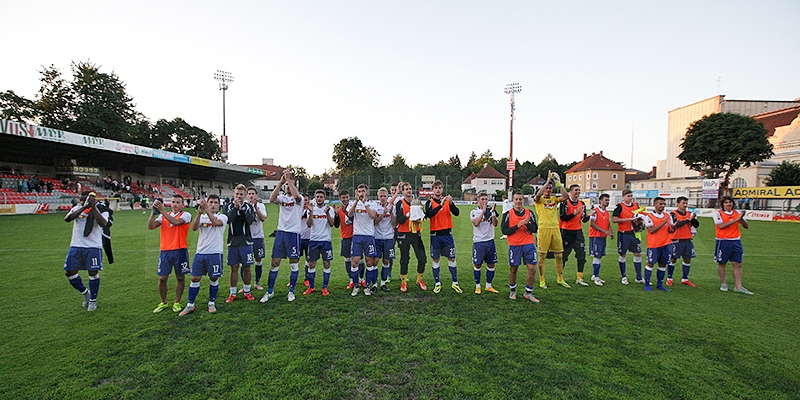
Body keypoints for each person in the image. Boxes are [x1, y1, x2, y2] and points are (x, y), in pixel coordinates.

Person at [180, 194, 228, 315]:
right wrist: (199, 213)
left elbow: (216, 222)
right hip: (201, 252)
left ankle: (211, 303)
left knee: (214, 278)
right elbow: (194, 228)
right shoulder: (202, 217)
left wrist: (206, 209)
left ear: (219, 205)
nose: (213, 205)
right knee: (195, 278)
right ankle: (190, 304)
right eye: (210, 202)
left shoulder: (222, 217)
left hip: (215, 253)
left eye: (215, 202)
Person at [262, 170, 304, 302]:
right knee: (275, 262)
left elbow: (296, 196)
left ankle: (291, 291)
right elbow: (272, 199)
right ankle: (270, 291)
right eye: (287, 185)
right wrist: (281, 182)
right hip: (281, 233)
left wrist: (289, 180)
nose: (288, 186)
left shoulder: (299, 199)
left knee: (294, 263)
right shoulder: (283, 198)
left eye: (290, 184)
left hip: (293, 234)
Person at [63, 191, 109, 312]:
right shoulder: (77, 208)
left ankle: (93, 301)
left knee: (93, 273)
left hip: (93, 246)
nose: (83, 199)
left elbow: (104, 223)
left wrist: (93, 208)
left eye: (89, 198)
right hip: (76, 246)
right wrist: (84, 207)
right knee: (69, 272)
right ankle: (85, 293)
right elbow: (68, 219)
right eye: (83, 198)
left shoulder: (101, 209)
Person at [148, 195, 192, 313]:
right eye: (173, 202)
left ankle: (177, 302)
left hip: (180, 250)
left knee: (180, 277)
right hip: (165, 251)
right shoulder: (163, 216)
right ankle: (164, 302)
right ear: (170, 204)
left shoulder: (186, 215)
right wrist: (154, 213)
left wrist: (162, 211)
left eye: (178, 202)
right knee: (162, 278)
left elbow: (176, 223)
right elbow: (151, 227)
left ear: (183, 204)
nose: (175, 204)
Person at [501, 192, 539, 302]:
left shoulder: (529, 213)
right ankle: (512, 290)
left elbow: (535, 229)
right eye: (516, 199)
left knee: (532, 268)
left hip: (528, 244)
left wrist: (526, 224)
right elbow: (504, 231)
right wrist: (518, 225)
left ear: (523, 201)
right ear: (513, 200)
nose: (518, 201)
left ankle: (528, 292)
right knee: (514, 269)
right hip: (515, 245)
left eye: (520, 199)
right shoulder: (508, 214)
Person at [534, 171, 570, 289]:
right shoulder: (539, 201)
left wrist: (558, 183)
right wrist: (547, 181)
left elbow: (566, 197)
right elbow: (538, 195)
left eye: (550, 188)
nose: (548, 190)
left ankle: (560, 279)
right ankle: (542, 280)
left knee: (559, 255)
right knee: (542, 256)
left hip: (555, 229)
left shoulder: (554, 199)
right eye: (547, 188)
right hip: (544, 230)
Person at [425, 180, 462, 293]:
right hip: (435, 235)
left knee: (451, 258)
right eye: (436, 188)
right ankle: (437, 283)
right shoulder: (429, 202)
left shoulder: (447, 201)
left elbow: (457, 213)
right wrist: (440, 206)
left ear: (442, 189)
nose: (438, 190)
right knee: (436, 259)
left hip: (447, 234)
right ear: (433, 190)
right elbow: (429, 214)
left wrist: (450, 204)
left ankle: (455, 283)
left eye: (440, 188)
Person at [223, 184, 256, 303]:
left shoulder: (248, 207)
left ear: (245, 195)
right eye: (237, 194)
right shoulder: (227, 206)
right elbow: (228, 220)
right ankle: (232, 293)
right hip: (232, 242)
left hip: (246, 241)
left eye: (241, 194)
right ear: (234, 194)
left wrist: (241, 210)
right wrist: (235, 209)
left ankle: (247, 291)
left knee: (247, 267)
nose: (239, 196)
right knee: (234, 268)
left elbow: (249, 220)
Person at [714, 196, 753, 295]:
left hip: (736, 241)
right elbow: (721, 226)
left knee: (738, 264)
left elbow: (746, 226)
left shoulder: (737, 213)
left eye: (730, 202)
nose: (728, 204)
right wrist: (736, 220)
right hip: (723, 241)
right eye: (726, 202)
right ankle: (723, 283)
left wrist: (741, 219)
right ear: (723, 204)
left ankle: (738, 286)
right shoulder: (718, 213)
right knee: (722, 263)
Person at [395, 183, 428, 292]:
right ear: (402, 192)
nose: (409, 191)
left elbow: (423, 216)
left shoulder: (416, 203)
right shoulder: (400, 203)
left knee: (422, 258)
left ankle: (419, 279)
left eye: (410, 189)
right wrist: (408, 215)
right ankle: (403, 282)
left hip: (415, 233)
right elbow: (399, 220)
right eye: (406, 189)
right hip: (403, 233)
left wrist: (421, 214)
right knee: (405, 259)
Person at [347, 184, 378, 296]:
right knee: (354, 262)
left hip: (369, 236)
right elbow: (350, 214)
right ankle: (355, 286)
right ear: (356, 192)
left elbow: (372, 216)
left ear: (367, 192)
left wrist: (365, 203)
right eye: (359, 191)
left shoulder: (373, 204)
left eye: (363, 191)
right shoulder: (352, 203)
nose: (361, 193)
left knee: (369, 261)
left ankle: (367, 286)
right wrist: (356, 202)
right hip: (357, 236)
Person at [304, 189, 336, 296]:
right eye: (317, 196)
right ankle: (311, 287)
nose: (319, 198)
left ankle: (324, 288)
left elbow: (332, 224)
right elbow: (309, 224)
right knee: (311, 264)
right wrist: (311, 213)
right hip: (314, 240)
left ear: (324, 198)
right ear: (315, 197)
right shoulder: (311, 209)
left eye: (321, 197)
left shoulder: (329, 209)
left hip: (326, 241)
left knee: (326, 263)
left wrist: (327, 214)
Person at [559, 184, 591, 286]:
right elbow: (563, 217)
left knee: (581, 256)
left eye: (579, 190)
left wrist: (588, 216)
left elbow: (583, 219)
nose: (578, 192)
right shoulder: (565, 203)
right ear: (571, 191)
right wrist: (574, 214)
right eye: (576, 190)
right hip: (567, 232)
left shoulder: (582, 204)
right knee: (564, 256)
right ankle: (560, 278)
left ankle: (579, 278)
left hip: (578, 232)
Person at [612, 189, 645, 285]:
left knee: (638, 253)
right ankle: (624, 276)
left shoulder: (635, 205)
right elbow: (614, 219)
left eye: (631, 196)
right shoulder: (619, 206)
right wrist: (629, 219)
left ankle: (638, 277)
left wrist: (639, 221)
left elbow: (639, 216)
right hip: (624, 233)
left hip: (634, 233)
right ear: (623, 196)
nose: (630, 198)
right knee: (623, 254)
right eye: (628, 196)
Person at [470, 192, 500, 294]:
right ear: (478, 201)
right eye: (482, 199)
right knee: (477, 264)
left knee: (491, 264)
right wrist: (483, 212)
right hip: (479, 242)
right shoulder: (474, 212)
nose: (484, 201)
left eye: (486, 199)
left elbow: (495, 224)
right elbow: (476, 223)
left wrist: (492, 213)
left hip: (490, 241)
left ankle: (488, 286)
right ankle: (478, 286)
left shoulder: (491, 210)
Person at [643, 197, 673, 292]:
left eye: (663, 204)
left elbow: (670, 229)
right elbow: (651, 230)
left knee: (663, 264)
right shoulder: (649, 217)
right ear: (655, 204)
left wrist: (675, 226)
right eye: (660, 204)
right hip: (654, 245)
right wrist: (663, 223)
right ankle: (647, 284)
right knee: (650, 263)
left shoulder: (668, 216)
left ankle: (659, 284)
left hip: (666, 244)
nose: (662, 206)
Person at [667, 196, 698, 287]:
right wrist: (688, 220)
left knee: (687, 259)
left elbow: (696, 225)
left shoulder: (689, 213)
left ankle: (685, 278)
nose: (685, 205)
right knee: (673, 259)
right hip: (676, 240)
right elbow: (677, 225)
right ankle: (669, 278)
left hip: (687, 239)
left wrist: (693, 219)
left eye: (686, 203)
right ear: (678, 203)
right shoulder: (672, 214)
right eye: (683, 203)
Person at [374, 187, 397, 292]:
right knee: (375, 261)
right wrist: (383, 214)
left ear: (388, 197)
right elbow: (374, 222)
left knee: (386, 260)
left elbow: (394, 224)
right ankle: (374, 284)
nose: (383, 198)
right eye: (381, 196)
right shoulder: (375, 207)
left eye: (384, 196)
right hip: (377, 238)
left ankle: (383, 283)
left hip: (388, 238)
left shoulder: (392, 207)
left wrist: (391, 213)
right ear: (378, 197)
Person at [333, 190, 357, 289]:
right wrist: (336, 215)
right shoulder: (339, 210)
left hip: (355, 236)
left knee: (358, 260)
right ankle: (351, 280)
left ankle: (360, 279)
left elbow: (353, 219)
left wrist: (345, 212)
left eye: (347, 197)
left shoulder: (353, 207)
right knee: (347, 259)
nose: (345, 199)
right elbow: (336, 225)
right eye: (343, 197)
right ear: (340, 198)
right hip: (345, 237)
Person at [588, 193, 613, 286]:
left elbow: (608, 223)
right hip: (595, 236)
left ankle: (595, 275)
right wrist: (604, 231)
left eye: (608, 200)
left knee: (599, 256)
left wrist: (611, 232)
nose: (608, 202)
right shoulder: (595, 211)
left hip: (603, 236)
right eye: (606, 200)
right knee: (597, 256)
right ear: (601, 201)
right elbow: (592, 224)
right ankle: (595, 275)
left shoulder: (607, 212)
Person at [247, 187, 267, 291]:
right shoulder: (244, 206)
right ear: (247, 196)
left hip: (258, 237)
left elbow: (263, 218)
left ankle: (257, 282)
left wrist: (255, 208)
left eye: (253, 194)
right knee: (245, 263)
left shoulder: (261, 206)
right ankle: (245, 285)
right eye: (249, 194)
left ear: (256, 196)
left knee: (258, 260)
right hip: (246, 238)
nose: (251, 196)